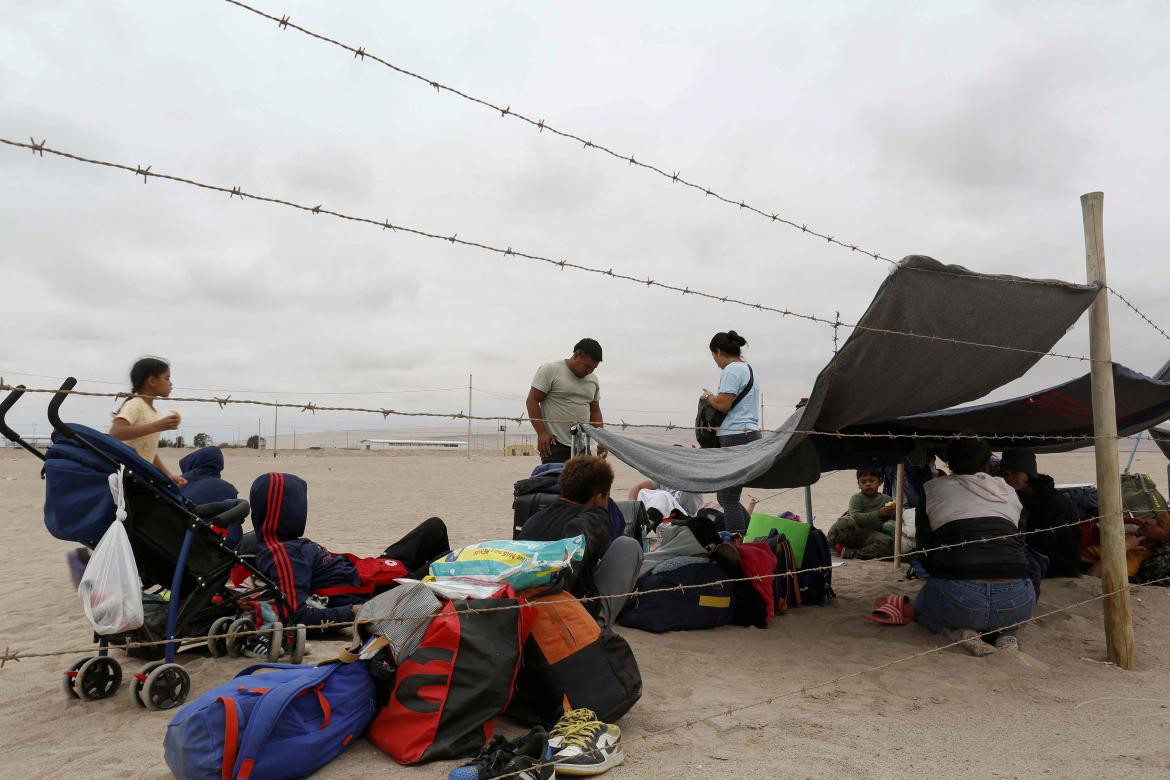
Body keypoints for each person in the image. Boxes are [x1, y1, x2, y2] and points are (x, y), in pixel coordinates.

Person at [250, 472, 451, 627]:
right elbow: (296, 615)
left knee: (435, 527)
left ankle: (438, 594)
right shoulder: (284, 554)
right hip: (376, 593)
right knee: (448, 561)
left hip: (370, 571)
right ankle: (443, 598)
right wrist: (353, 611)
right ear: (286, 508)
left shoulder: (281, 543)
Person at [915, 438, 1035, 655]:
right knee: (1006, 601)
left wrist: (944, 571)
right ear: (989, 463)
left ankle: (960, 631)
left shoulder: (932, 489)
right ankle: (1007, 634)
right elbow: (1020, 543)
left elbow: (925, 548)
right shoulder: (1007, 490)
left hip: (960, 601)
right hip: (1017, 602)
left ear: (949, 462)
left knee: (923, 607)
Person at [517, 456, 643, 630]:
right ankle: (598, 629)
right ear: (599, 498)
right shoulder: (593, 517)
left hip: (529, 610)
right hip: (571, 616)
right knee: (628, 546)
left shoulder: (535, 519)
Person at [699, 330, 760, 534]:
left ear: (718, 351)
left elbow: (724, 404)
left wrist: (709, 398)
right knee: (724, 497)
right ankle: (747, 535)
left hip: (734, 436)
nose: (715, 362)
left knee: (729, 498)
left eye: (714, 356)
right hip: (749, 434)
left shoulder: (732, 370)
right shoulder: (748, 369)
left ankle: (739, 544)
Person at [999, 449, 1083, 578]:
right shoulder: (1018, 496)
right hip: (1034, 556)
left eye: (1015, 472)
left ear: (1028, 472)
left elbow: (1044, 543)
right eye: (1006, 474)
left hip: (1059, 565)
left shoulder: (1054, 502)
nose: (1009, 478)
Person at [527, 338, 606, 464]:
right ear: (577, 355)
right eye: (587, 366)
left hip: (583, 445)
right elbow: (532, 400)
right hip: (555, 445)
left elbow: (595, 411)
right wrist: (541, 433)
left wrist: (602, 439)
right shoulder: (550, 370)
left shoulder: (593, 380)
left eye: (593, 368)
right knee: (557, 483)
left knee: (587, 482)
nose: (589, 371)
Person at [109, 357, 186, 486]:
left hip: (141, 476)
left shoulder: (155, 413)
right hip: (127, 476)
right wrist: (158, 426)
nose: (170, 383)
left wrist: (168, 475)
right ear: (152, 381)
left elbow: (149, 450)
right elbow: (116, 432)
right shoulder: (135, 404)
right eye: (167, 378)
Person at [179, 446, 243, 548]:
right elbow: (233, 538)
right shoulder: (226, 489)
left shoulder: (176, 483)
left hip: (173, 543)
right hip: (205, 551)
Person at [827, 468, 896, 559]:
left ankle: (853, 553)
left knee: (889, 543)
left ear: (880, 482)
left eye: (872, 481)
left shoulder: (887, 500)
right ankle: (826, 546)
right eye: (863, 482)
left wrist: (892, 513)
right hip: (854, 532)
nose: (868, 484)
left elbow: (891, 521)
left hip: (873, 536)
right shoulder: (856, 498)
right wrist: (878, 514)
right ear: (859, 485)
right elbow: (856, 517)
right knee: (845, 521)